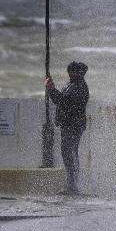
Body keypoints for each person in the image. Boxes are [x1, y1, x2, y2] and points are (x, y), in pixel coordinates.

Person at [46, 61, 90, 195]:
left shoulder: (80, 87)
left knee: (70, 153)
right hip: (68, 124)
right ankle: (71, 185)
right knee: (68, 153)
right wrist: (51, 88)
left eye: (72, 71)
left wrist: (51, 89)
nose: (70, 73)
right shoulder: (71, 84)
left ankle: (72, 187)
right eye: (69, 71)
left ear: (79, 72)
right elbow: (62, 101)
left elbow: (64, 102)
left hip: (74, 125)